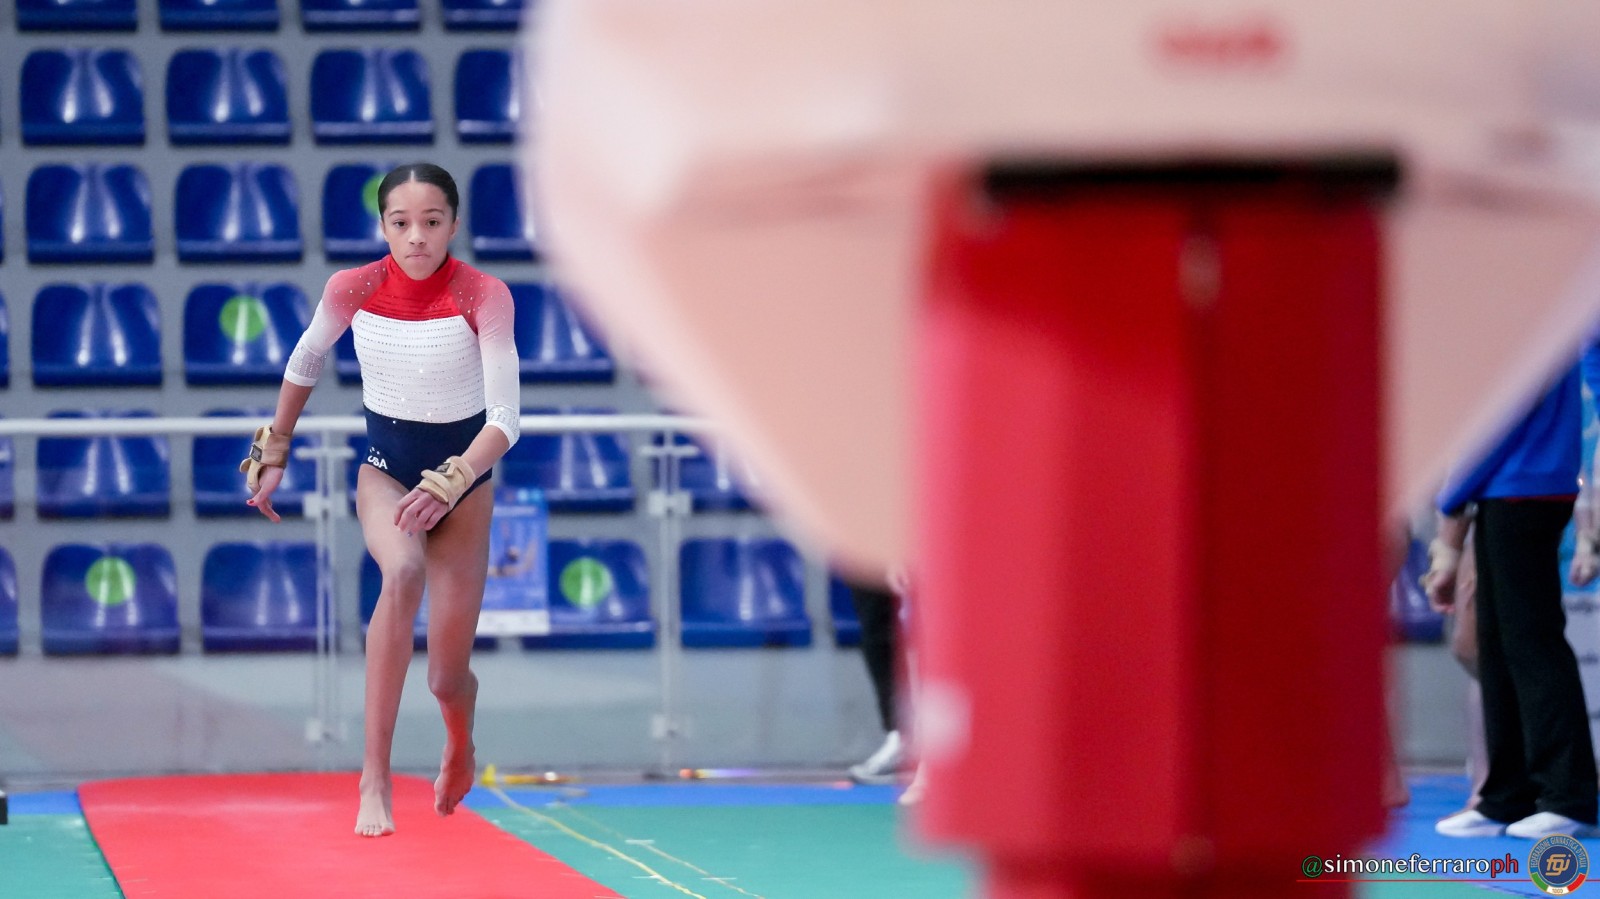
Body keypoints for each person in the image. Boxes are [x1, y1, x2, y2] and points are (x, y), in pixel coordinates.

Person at [238, 163, 520, 838]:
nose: (417, 236)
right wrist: (274, 449)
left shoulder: (484, 294)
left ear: (453, 225)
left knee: (446, 678)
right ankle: (374, 775)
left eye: (432, 222)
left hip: (463, 489)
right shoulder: (354, 287)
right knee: (401, 572)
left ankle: (460, 742)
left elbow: (506, 419)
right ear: (383, 227)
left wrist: (451, 480)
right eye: (402, 222)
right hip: (386, 473)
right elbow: (304, 362)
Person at [1425, 357, 1600, 840]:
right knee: (1499, 646)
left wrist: (1451, 496)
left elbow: (1499, 418)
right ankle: (1507, 795)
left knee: (1531, 643)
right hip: (1506, 488)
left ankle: (1568, 795)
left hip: (1525, 485)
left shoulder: (1529, 334)